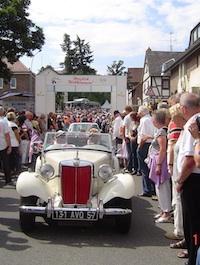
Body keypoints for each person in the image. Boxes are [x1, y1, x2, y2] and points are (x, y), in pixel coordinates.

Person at [176, 92, 200, 265]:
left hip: (193, 180)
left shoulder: (193, 123)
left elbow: (190, 159)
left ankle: (193, 259)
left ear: (184, 108)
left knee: (193, 224)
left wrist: (180, 180)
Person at [147, 109, 172, 222]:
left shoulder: (162, 132)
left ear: (156, 120)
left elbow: (162, 149)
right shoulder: (160, 131)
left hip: (160, 161)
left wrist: (158, 165)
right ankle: (163, 211)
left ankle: (166, 212)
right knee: (159, 187)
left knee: (162, 187)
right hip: (157, 160)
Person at [137, 105, 156, 196]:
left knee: (144, 168)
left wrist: (139, 146)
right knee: (150, 167)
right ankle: (151, 188)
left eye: (139, 112)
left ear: (142, 112)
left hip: (145, 144)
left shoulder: (144, 120)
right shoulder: (151, 118)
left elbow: (143, 136)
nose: (138, 113)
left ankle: (147, 189)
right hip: (151, 144)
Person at [0, 106, 12, 184]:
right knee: (5, 162)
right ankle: (8, 179)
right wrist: (9, 146)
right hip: (2, 145)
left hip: (2, 144)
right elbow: (7, 135)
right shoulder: (3, 122)